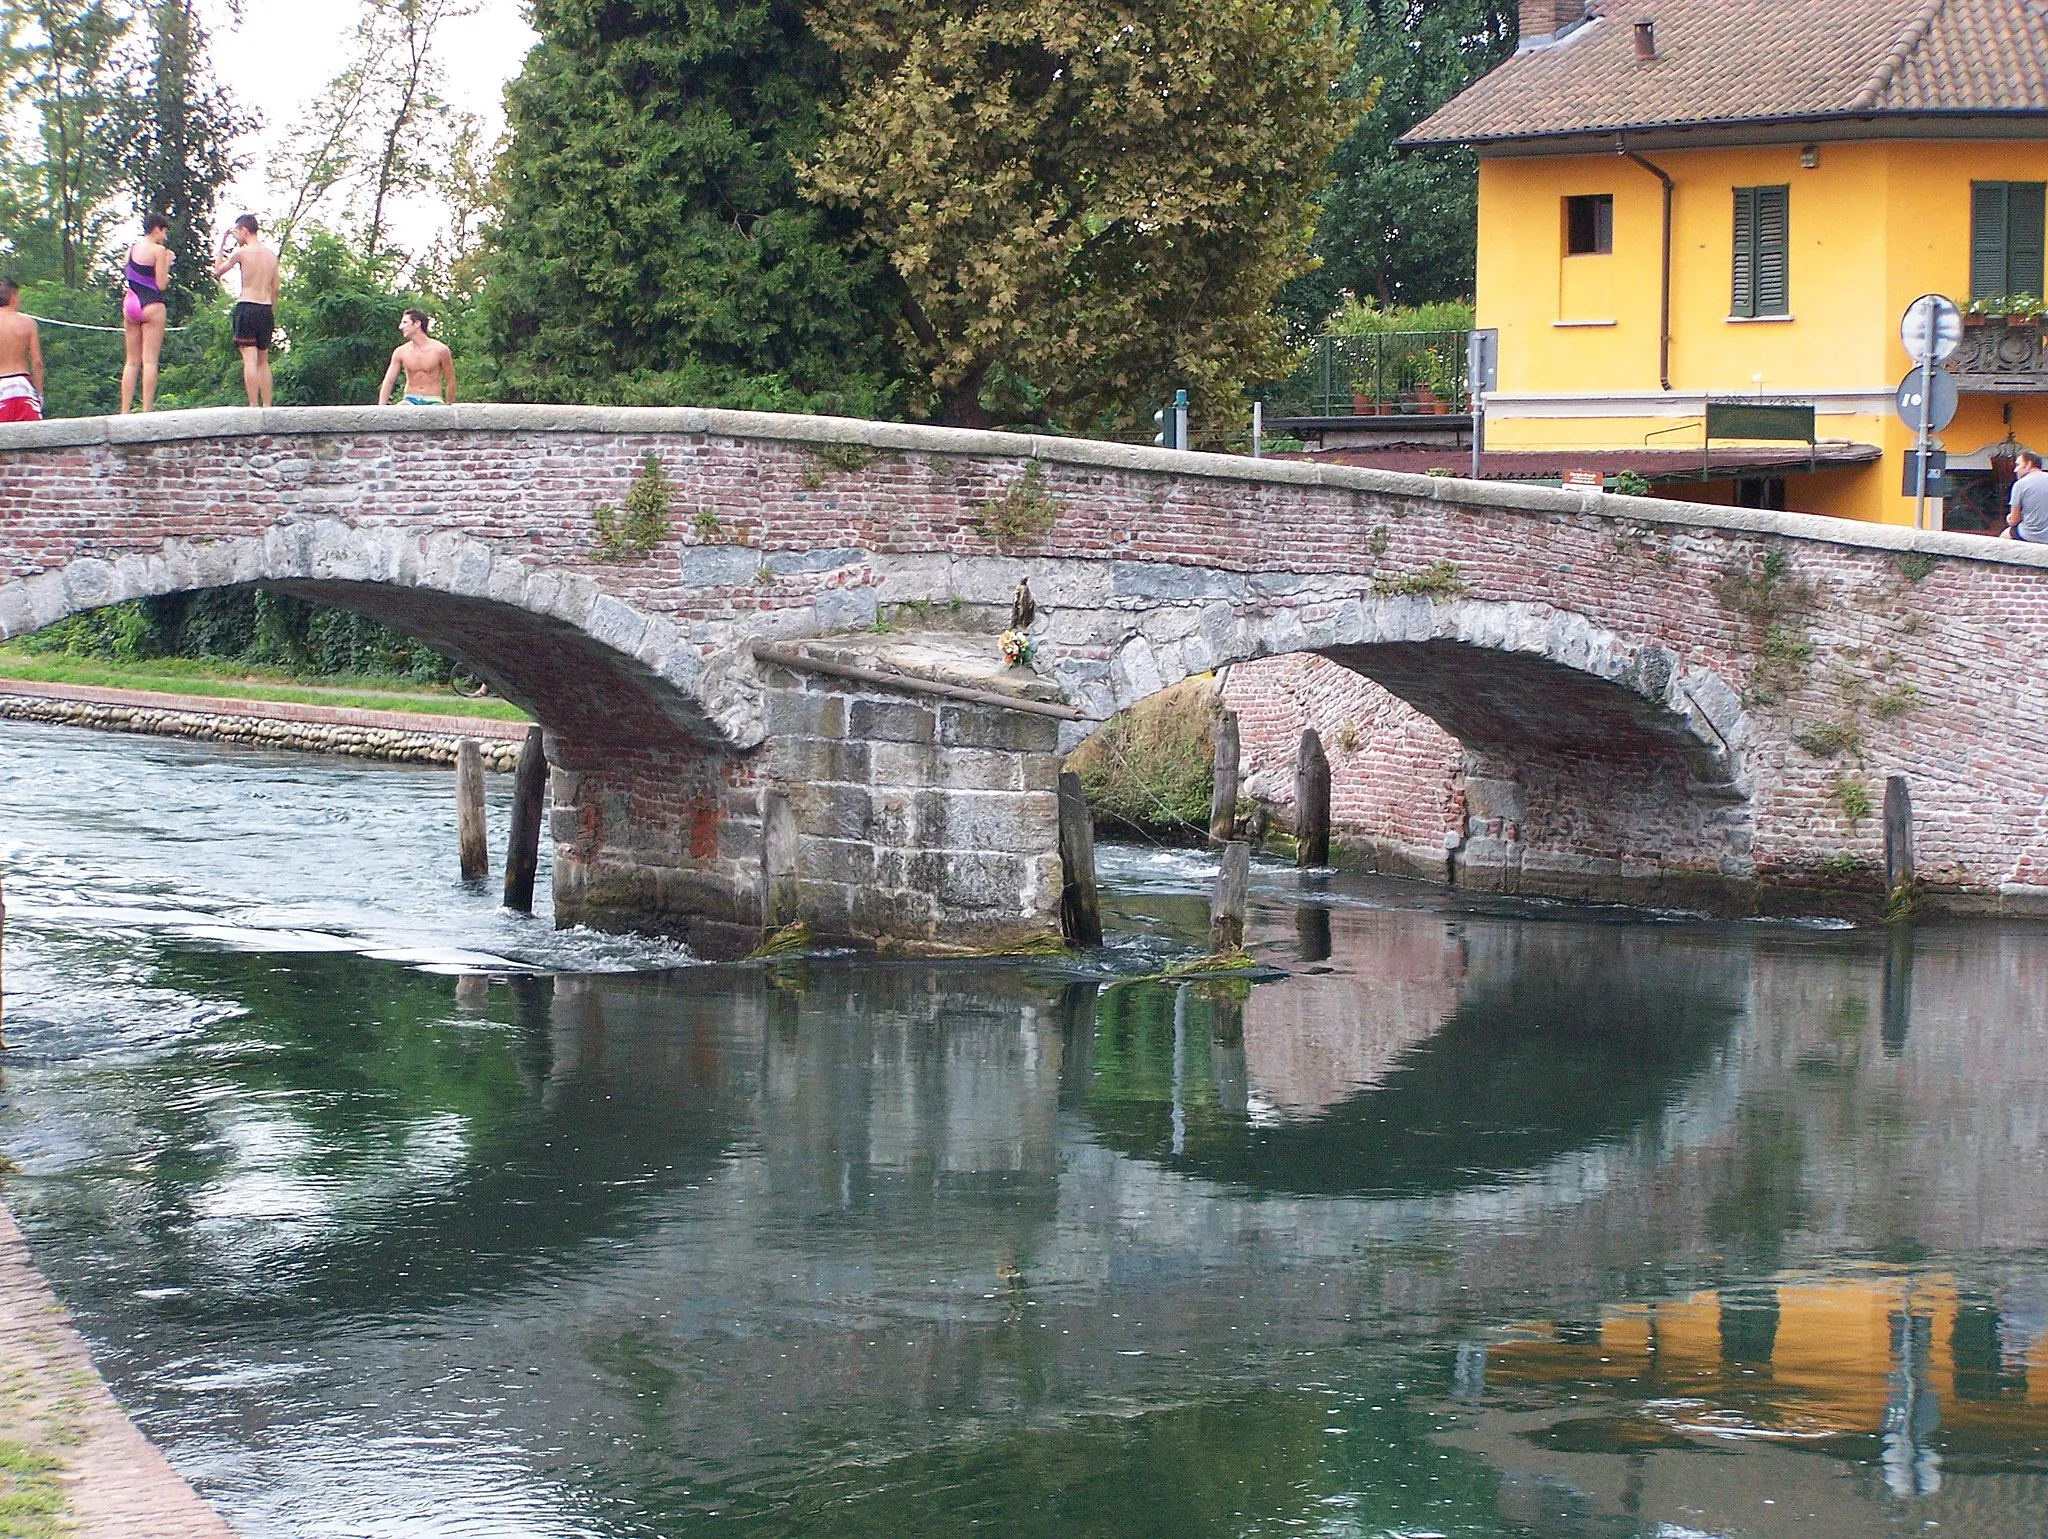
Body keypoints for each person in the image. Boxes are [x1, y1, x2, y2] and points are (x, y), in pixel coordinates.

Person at [212, 214, 278, 408]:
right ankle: (267, 404)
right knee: (263, 360)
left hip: (247, 305)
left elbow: (217, 271)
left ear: (244, 230)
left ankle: (252, 404)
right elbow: (276, 288)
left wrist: (222, 243)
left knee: (249, 358)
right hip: (265, 309)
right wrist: (271, 309)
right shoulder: (271, 256)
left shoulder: (241, 253)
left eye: (236, 232)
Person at [120, 213, 173, 414]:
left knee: (131, 361)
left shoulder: (131, 249)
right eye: (164, 231)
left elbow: (130, 275)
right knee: (149, 360)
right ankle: (146, 410)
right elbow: (161, 284)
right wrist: (167, 263)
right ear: (157, 229)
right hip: (151, 304)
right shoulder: (159, 251)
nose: (165, 237)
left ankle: (124, 410)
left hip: (131, 302)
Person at [377, 309, 456, 406]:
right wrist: (381, 407)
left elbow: (450, 381)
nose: (400, 327)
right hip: (410, 399)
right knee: (399, 411)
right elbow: (389, 381)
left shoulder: (440, 350)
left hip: (433, 399)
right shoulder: (401, 352)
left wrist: (448, 405)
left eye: (405, 322)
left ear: (417, 324)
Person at [0, 278, 44, 423]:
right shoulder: (28, 323)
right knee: (32, 437)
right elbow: (37, 362)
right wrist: (39, 394)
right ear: (13, 297)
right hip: (23, 386)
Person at [2005, 449, 2048, 542]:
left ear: (2028, 464)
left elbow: (2014, 520)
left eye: (2018, 465)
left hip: (2029, 534)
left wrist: (2009, 518)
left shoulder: (2020, 484)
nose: (2015, 470)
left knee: (2003, 539)